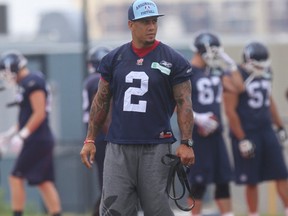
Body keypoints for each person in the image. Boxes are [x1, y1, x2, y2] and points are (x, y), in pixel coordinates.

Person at [80, 0, 195, 215]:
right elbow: (101, 100)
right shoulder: (114, 59)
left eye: (154, 21)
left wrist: (187, 142)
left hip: (156, 145)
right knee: (114, 209)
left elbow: (184, 103)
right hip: (118, 146)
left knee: (156, 209)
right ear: (131, 25)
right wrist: (90, 140)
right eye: (145, 22)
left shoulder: (173, 60)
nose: (151, 26)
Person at [223, 41, 288, 216]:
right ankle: (253, 213)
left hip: (266, 129)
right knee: (251, 179)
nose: (262, 68)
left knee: (281, 173)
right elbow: (230, 111)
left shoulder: (266, 72)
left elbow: (269, 100)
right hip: (247, 130)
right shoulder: (235, 75)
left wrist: (279, 126)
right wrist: (242, 138)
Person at [0, 50, 62, 216]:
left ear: (13, 68)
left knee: (15, 177)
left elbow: (39, 112)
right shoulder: (26, 83)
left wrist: (22, 135)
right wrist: (10, 134)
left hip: (37, 139)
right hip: (40, 137)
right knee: (44, 181)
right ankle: (56, 213)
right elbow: (25, 117)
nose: (5, 76)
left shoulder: (31, 81)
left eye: (5, 72)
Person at [187, 31, 236, 216]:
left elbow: (238, 87)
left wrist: (230, 64)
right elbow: (176, 104)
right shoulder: (188, 71)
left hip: (216, 134)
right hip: (198, 135)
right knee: (198, 183)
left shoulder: (215, 69)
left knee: (223, 180)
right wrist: (198, 118)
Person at [82, 46, 110, 216]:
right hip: (102, 136)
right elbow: (100, 109)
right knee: (110, 184)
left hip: (96, 136)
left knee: (108, 183)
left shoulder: (90, 80)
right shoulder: (97, 81)